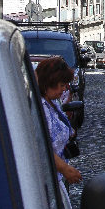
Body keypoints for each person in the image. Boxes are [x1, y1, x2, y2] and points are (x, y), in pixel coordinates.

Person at [36, 55, 82, 187]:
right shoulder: (40, 108)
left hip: (56, 177)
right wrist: (64, 168)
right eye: (62, 85)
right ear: (48, 83)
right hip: (46, 182)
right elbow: (40, 147)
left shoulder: (53, 102)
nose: (64, 89)